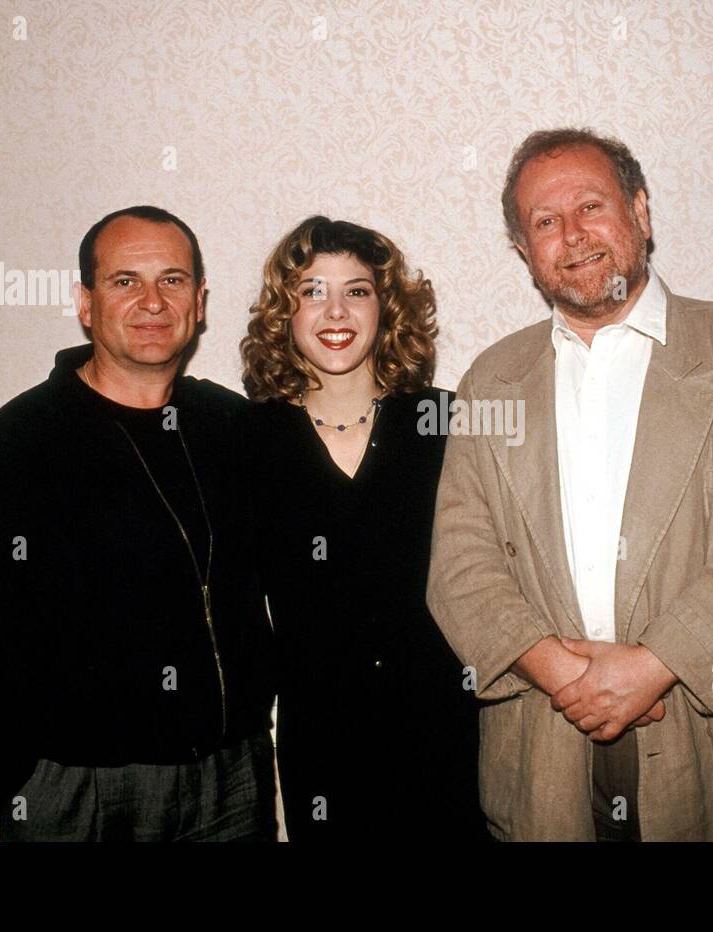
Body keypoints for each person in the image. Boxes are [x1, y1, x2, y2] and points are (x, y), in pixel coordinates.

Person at [427, 128, 713, 841]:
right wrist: (562, 675)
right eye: (544, 222)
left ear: (641, 212)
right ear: (524, 253)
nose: (573, 235)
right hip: (544, 751)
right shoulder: (490, 380)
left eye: (591, 206)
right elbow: (460, 565)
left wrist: (654, 667)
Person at [0, 205, 277, 841]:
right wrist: (19, 779)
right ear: (86, 303)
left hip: (230, 779)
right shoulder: (13, 450)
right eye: (124, 281)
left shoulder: (232, 429)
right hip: (82, 792)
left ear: (199, 301)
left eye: (172, 279)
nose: (152, 301)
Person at [241, 216, 485, 842]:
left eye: (357, 289)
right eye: (311, 290)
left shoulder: (446, 422)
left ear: (387, 306)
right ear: (283, 311)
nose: (335, 310)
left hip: (451, 734)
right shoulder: (247, 440)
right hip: (322, 744)